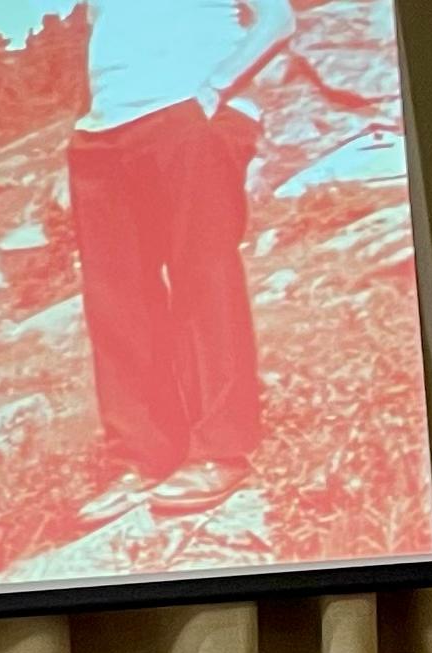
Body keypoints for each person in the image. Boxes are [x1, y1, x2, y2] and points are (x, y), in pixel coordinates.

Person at [66, 0, 296, 522]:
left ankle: (220, 451)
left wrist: (213, 90)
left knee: (203, 280)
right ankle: (141, 458)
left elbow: (278, 19)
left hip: (189, 113)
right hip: (104, 132)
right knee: (116, 301)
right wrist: (84, 123)